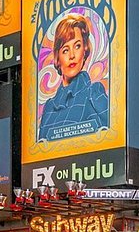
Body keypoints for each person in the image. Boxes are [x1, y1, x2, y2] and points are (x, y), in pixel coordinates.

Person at [39, 14, 109, 142]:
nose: (72, 55)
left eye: (77, 46)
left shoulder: (94, 92)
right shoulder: (49, 107)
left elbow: (112, 138)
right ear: (57, 58)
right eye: (65, 50)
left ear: (85, 50)